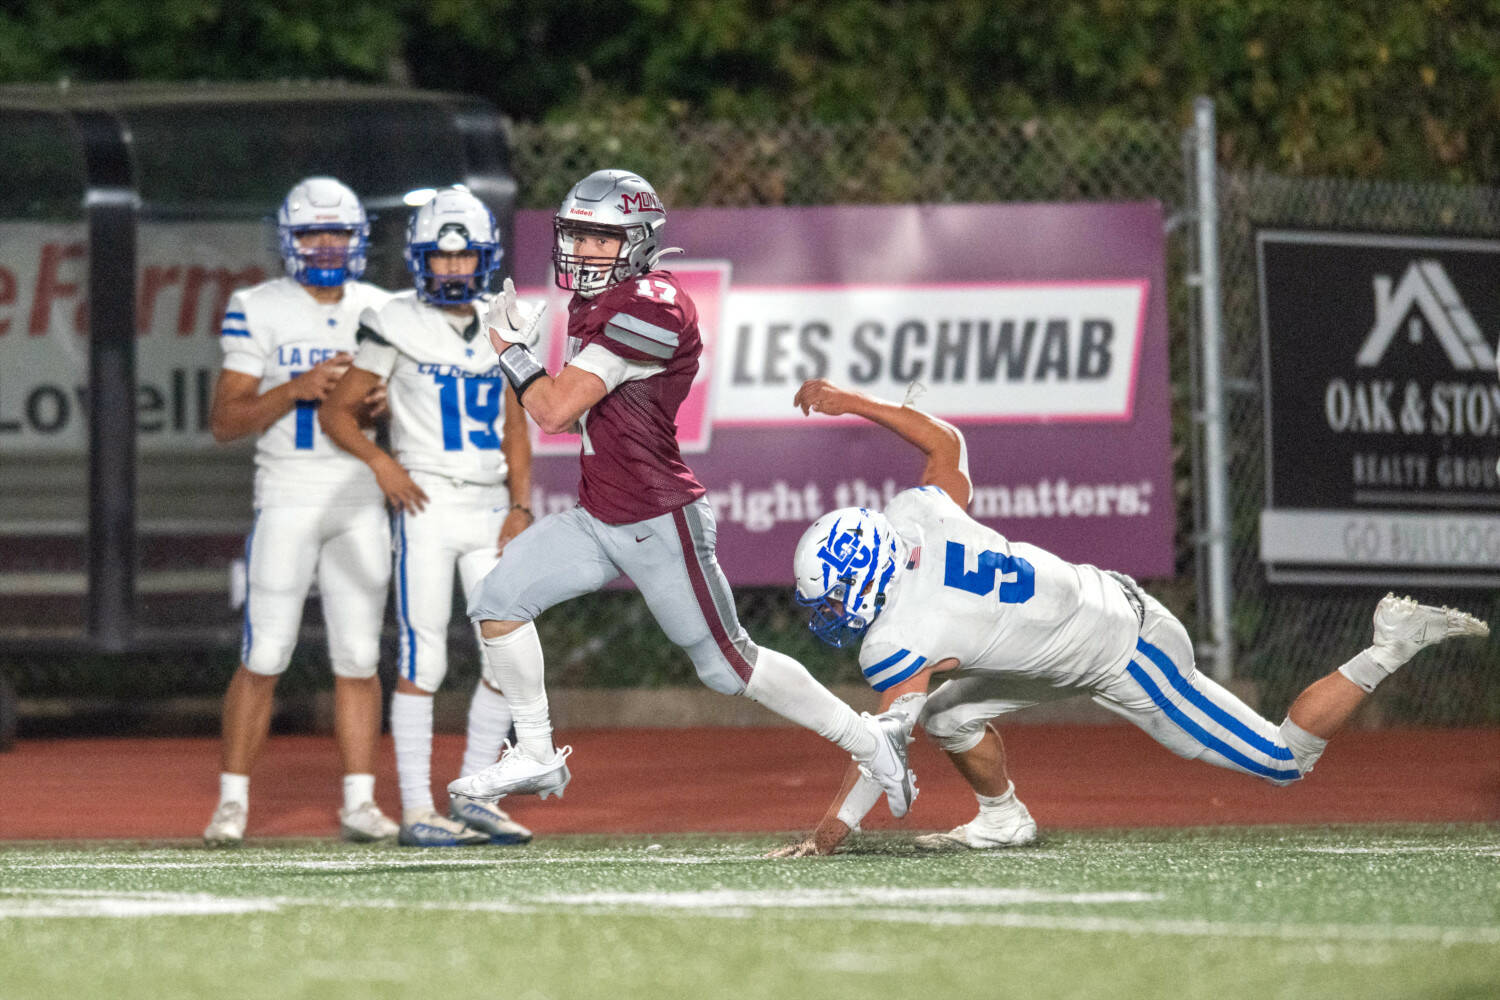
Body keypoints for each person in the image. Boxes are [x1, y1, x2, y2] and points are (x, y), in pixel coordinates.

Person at [773, 377, 1491, 855]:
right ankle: (1004, 819)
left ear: (863, 576)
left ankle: (1390, 645)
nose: (830, 615)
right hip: (1071, 622)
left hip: (1126, 647)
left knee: (1282, 761)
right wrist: (850, 399)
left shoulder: (904, 636)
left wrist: (830, 832)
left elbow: (881, 746)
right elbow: (947, 443)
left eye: (832, 599)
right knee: (950, 716)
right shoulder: (916, 513)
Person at [446, 169, 915, 814]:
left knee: (729, 667)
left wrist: (514, 353)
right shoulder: (606, 299)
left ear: (638, 241)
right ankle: (534, 750)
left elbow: (553, 411)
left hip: (657, 517)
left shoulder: (652, 306)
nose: (581, 253)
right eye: (576, 237)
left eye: (599, 240)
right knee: (497, 602)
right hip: (599, 515)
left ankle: (870, 741)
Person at [320, 186, 535, 848]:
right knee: (427, 655)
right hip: (429, 504)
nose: (451, 270)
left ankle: (472, 794)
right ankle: (416, 807)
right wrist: (383, 464)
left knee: (511, 657)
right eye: (440, 260)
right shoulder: (394, 318)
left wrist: (523, 502)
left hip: (490, 503)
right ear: (420, 261)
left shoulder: (507, 317)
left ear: (483, 258)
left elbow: (515, 422)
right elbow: (338, 411)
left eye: (463, 257)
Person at [203, 176, 399, 847]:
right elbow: (225, 420)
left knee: (358, 656)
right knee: (267, 650)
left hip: (358, 495)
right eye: (313, 232)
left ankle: (359, 802)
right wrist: (296, 387)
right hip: (287, 492)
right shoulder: (258, 306)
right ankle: (232, 801)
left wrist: (379, 406)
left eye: (336, 232)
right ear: (289, 238)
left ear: (357, 239)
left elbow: (405, 408)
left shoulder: (380, 306)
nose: (324, 244)